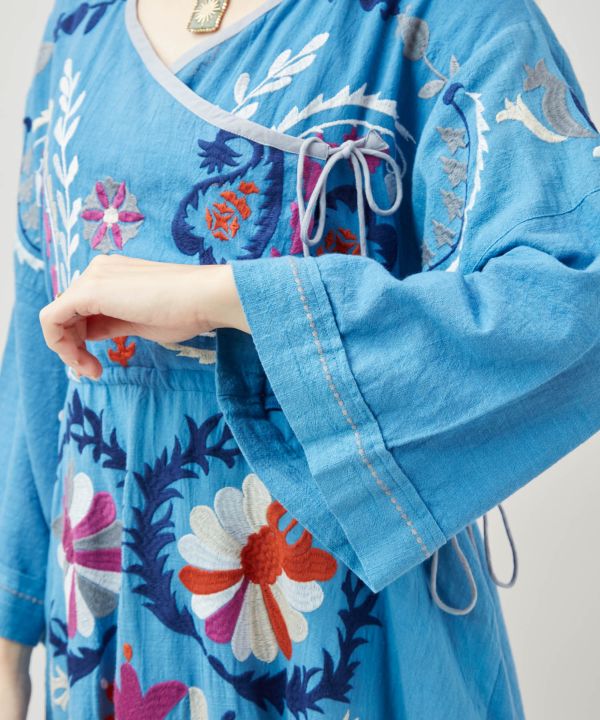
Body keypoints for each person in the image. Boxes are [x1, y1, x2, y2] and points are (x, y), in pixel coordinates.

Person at [1, 0, 599, 717]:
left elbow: (574, 293)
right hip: (104, 590)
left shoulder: (440, 15)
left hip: (327, 608)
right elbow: (39, 341)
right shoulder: (82, 23)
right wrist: (9, 621)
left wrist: (229, 298)